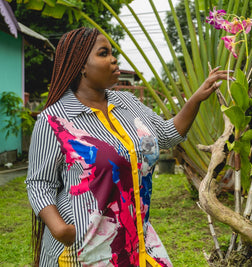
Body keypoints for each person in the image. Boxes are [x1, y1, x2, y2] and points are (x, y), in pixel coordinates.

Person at [26, 27, 231, 267]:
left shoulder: (128, 103)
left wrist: (196, 98)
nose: (113, 59)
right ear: (81, 65)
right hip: (85, 250)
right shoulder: (54, 120)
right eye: (103, 53)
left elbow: (165, 135)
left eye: (112, 53)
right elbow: (40, 183)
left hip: (137, 239)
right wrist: (59, 229)